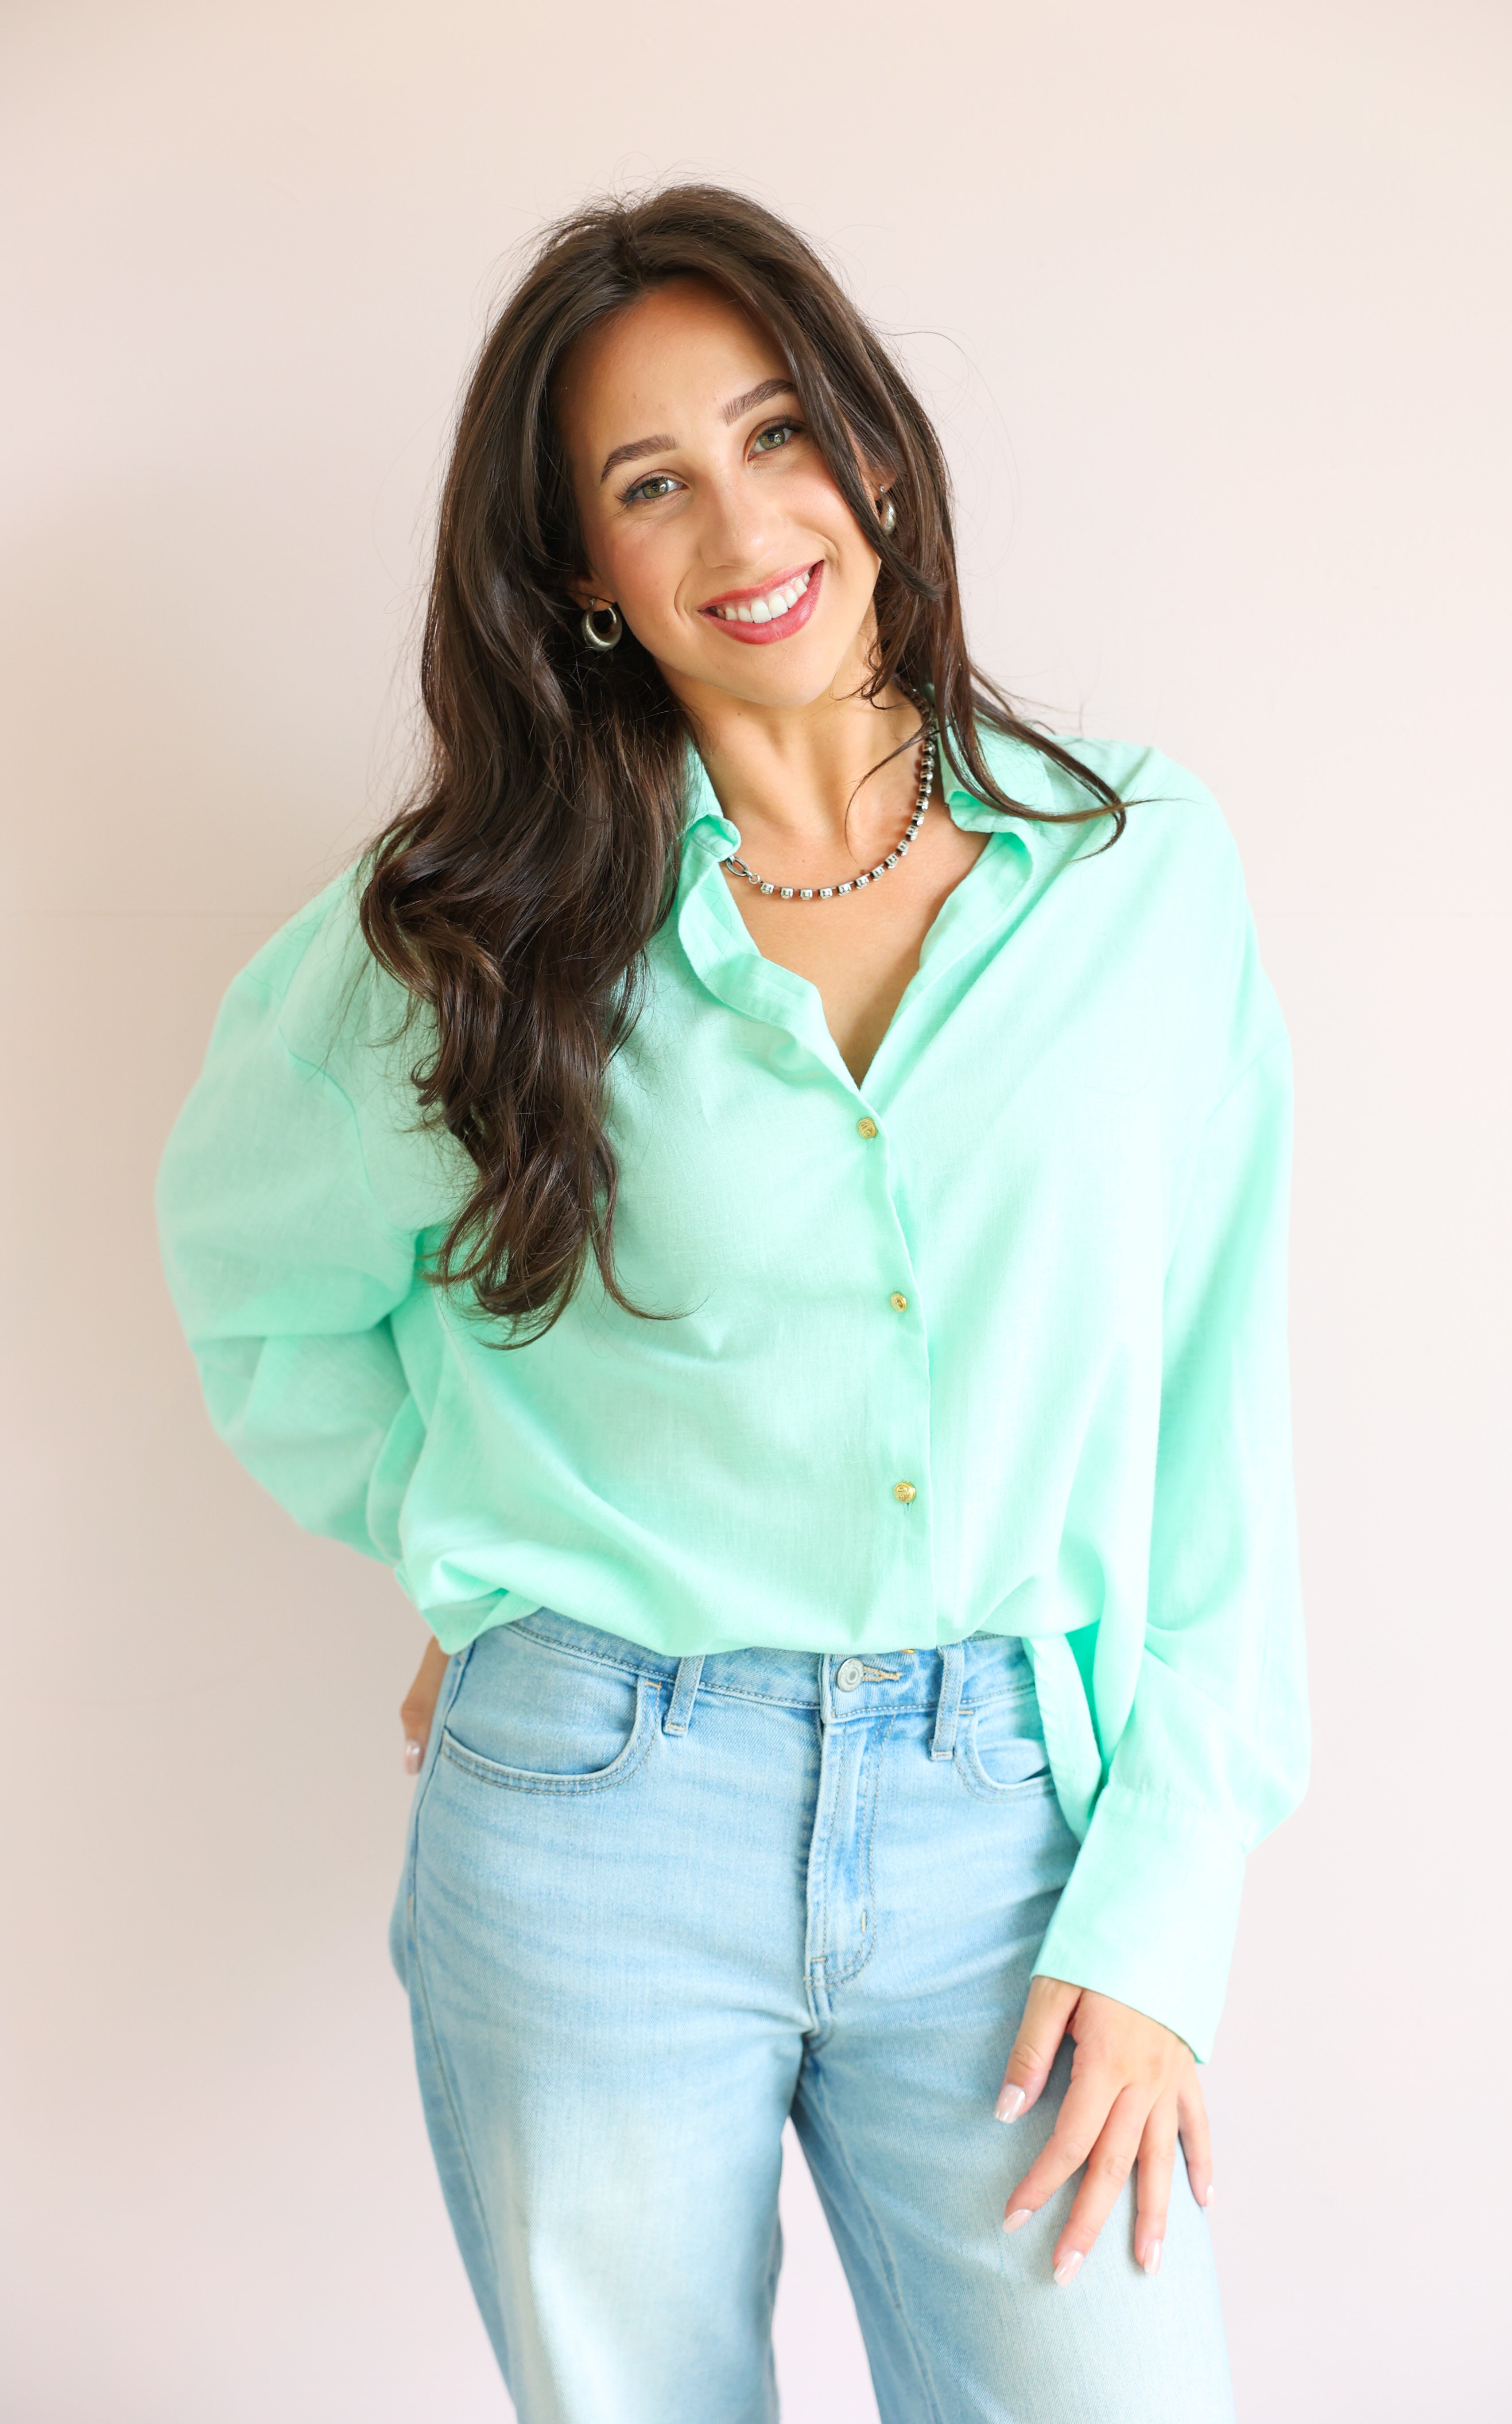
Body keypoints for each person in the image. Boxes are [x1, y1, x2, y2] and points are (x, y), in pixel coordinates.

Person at [155, 183, 1308, 2423]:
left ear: (871, 447)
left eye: (778, 433)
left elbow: (1217, 1420)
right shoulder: (474, 937)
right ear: (584, 570)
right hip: (593, 1813)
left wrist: (1166, 1910)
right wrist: (478, 1557)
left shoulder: (1139, 873)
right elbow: (257, 1285)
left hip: (1016, 1826)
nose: (745, 523)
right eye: (650, 481)